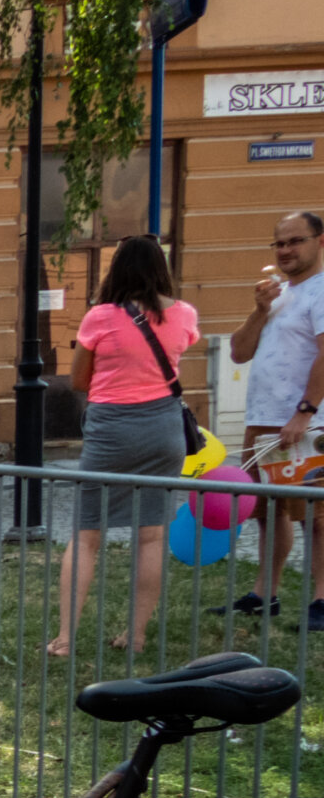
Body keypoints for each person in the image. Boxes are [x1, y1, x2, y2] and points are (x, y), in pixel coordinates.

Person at [48, 235, 200, 658]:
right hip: (164, 429)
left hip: (112, 429)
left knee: (86, 535)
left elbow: (79, 380)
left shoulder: (100, 317)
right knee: (151, 536)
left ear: (116, 269)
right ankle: (135, 635)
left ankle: (65, 638)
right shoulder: (184, 314)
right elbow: (178, 353)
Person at [228, 211, 324, 627]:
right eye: (279, 243)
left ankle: (322, 600)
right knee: (269, 512)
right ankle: (265, 594)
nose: (285, 250)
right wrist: (259, 310)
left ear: (320, 241)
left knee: (316, 516)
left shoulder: (321, 290)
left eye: (295, 241)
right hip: (264, 420)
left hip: (306, 423)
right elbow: (238, 352)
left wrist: (305, 412)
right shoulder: (278, 294)